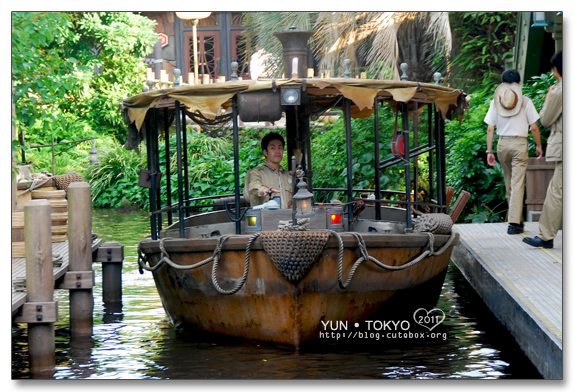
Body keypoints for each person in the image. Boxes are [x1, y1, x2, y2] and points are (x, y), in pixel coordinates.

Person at [484, 69, 543, 234]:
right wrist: (539, 145)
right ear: (519, 84)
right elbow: (534, 127)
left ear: (502, 84)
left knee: (509, 182)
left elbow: (490, 128)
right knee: (517, 184)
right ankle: (514, 224)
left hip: (502, 144)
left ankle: (516, 220)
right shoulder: (525, 101)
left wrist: (489, 151)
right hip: (519, 144)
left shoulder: (496, 102)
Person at [523, 51, 563, 249]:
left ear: (556, 70)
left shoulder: (561, 90)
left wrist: (548, 98)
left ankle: (546, 236)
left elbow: (545, 120)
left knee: (557, 193)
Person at [243, 132, 293, 208]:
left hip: (287, 218)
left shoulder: (287, 175)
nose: (277, 151)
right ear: (265, 152)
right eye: (273, 148)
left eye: (280, 148)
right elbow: (254, 187)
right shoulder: (256, 173)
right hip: (264, 218)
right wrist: (264, 190)